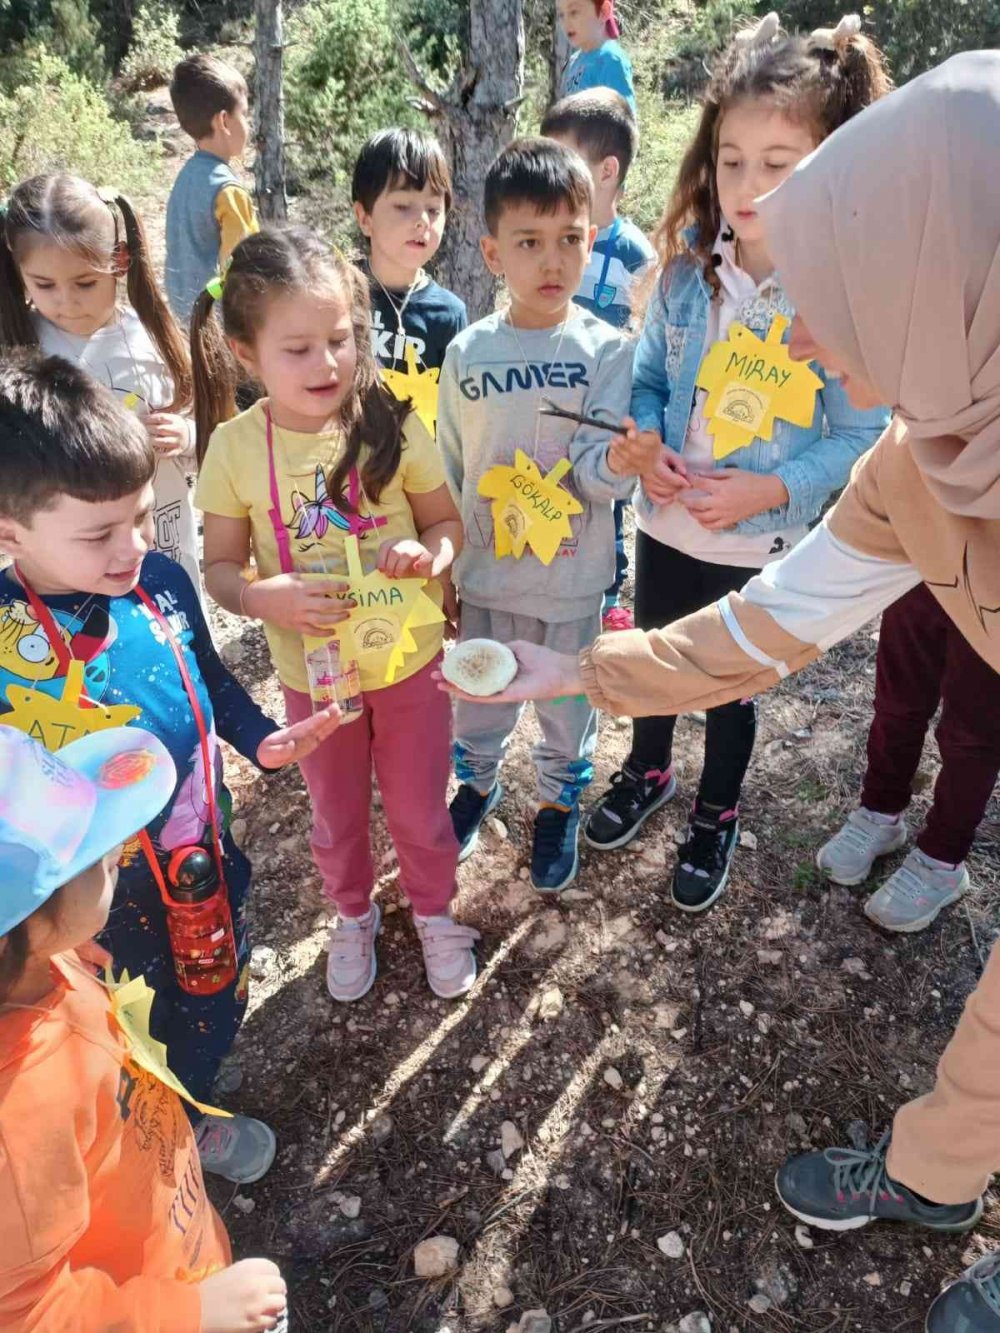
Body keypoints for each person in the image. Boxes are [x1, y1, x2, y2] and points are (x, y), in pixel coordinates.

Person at [438, 50, 1000, 1330]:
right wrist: (580, 666)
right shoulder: (919, 461)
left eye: (837, 292)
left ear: (936, 282)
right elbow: (762, 627)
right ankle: (937, 1175)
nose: (796, 335)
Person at [0, 351, 340, 1182]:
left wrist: (260, 738)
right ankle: (147, 1140)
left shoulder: (159, 582)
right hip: (90, 907)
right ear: (9, 534)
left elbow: (211, 677)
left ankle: (191, 1103)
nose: (133, 548)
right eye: (99, 534)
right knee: (121, 1021)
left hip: (200, 857)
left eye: (145, 516)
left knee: (213, 991)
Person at [578, 13, 891, 915]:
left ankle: (716, 809)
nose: (747, 185)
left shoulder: (833, 298)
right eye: (731, 159)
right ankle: (647, 768)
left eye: (778, 164)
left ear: (830, 165)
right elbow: (644, 378)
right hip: (664, 518)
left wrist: (772, 486)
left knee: (729, 680)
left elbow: (857, 438)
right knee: (653, 653)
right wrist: (647, 440)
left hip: (755, 542)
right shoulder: (685, 272)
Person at [193, 226, 478, 1006]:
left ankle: (433, 911)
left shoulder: (388, 420)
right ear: (246, 355)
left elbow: (444, 525)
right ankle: (352, 914)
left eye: (341, 339)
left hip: (410, 659)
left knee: (421, 807)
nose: (326, 364)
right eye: (298, 348)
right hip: (313, 677)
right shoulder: (233, 449)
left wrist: (432, 559)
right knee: (336, 810)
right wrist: (258, 595)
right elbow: (219, 568)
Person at [0, 723, 290, 1333]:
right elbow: (27, 1315)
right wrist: (192, 1314)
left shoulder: (28, 968)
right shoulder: (13, 1126)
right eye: (102, 863)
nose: (118, 853)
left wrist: (58, 948)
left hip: (168, 1226)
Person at [438, 138, 636, 893]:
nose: (551, 261)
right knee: (478, 701)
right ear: (492, 251)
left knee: (564, 707)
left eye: (570, 240)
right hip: (487, 577)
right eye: (529, 242)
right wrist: (449, 571)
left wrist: (618, 463)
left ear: (591, 240)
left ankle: (557, 802)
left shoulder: (607, 351)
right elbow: (451, 470)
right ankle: (476, 785)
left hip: (571, 581)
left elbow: (603, 475)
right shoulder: (466, 353)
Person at [0, 173, 202, 594]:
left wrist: (185, 435)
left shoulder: (154, 340)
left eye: (85, 283)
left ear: (120, 260)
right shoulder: (22, 353)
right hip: (72, 567)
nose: (66, 301)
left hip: (161, 539)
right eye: (44, 285)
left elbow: (212, 432)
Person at [814, 580, 998, 932]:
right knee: (896, 703)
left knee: (972, 738)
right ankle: (879, 814)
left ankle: (942, 862)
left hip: (994, 585)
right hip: (922, 564)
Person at [541, 87, 656, 632]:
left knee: (603, 502)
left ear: (607, 170)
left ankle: (607, 593)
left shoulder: (639, 253)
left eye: (564, 162)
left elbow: (648, 336)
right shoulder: (550, 236)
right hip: (550, 393)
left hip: (607, 402)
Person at [351, 128, 467, 428]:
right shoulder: (339, 292)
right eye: (403, 206)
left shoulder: (449, 314)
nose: (422, 221)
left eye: (433, 209)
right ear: (365, 218)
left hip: (418, 470)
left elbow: (454, 414)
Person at [165, 52, 259, 326]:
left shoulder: (185, 179)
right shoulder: (228, 191)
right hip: (219, 328)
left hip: (183, 323)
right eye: (245, 114)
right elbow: (246, 268)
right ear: (224, 121)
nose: (249, 125)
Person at [556, 0, 636, 114]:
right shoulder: (574, 61)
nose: (566, 22)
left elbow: (626, 121)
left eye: (573, 12)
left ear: (604, 11)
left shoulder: (610, 60)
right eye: (561, 15)